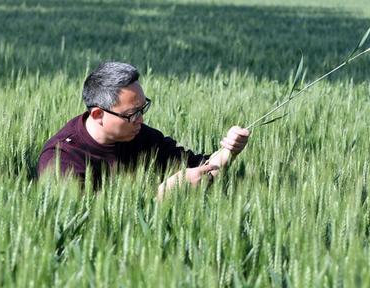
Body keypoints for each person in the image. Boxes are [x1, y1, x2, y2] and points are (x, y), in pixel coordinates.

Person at [37, 61, 250, 197]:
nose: (141, 119)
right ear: (98, 115)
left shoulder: (141, 135)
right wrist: (162, 194)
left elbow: (198, 167)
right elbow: (83, 223)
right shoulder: (61, 160)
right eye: (132, 114)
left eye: (143, 108)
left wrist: (230, 151)